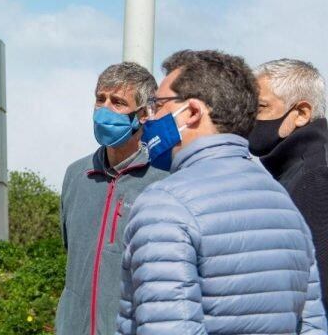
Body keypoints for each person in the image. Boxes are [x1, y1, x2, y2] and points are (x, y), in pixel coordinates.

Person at [117, 50, 327, 335]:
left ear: (191, 112)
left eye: (157, 104)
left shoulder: (165, 205)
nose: (148, 118)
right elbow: (313, 325)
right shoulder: (283, 202)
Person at [56, 62, 166, 335]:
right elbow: (73, 252)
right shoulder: (77, 174)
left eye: (118, 102)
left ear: (142, 115)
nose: (104, 110)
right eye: (100, 99)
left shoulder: (164, 179)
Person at [251, 58, 328, 312]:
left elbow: (317, 293)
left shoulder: (315, 177)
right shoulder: (289, 171)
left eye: (260, 107)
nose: (250, 120)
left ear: (302, 114)